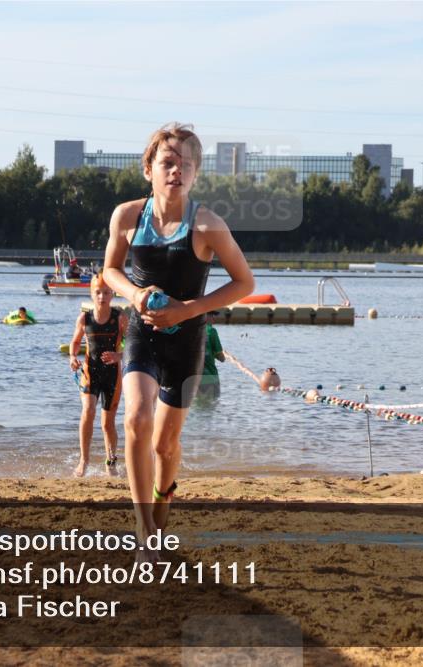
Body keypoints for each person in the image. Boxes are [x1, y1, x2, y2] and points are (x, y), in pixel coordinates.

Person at [102, 123, 254, 557]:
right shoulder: (127, 216)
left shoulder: (207, 225)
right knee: (135, 418)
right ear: (149, 168)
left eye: (185, 166)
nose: (176, 172)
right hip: (141, 333)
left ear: (195, 174)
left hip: (187, 341)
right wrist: (134, 294)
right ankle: (143, 528)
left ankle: (162, 507)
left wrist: (188, 309)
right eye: (167, 163)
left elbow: (244, 281)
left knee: (165, 445)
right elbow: (110, 271)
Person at [69, 272, 128, 478]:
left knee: (107, 423)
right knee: (88, 410)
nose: (102, 296)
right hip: (90, 372)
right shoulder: (84, 318)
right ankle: (83, 461)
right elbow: (75, 342)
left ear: (112, 294)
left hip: (112, 376)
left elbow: (132, 345)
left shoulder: (120, 318)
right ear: (91, 294)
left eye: (105, 292)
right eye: (97, 292)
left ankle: (111, 462)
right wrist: (72, 357)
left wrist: (119, 355)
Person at [197, 311, 225, 400]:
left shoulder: (189, 330)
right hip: (209, 377)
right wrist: (220, 355)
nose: (214, 319)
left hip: (191, 379)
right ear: (205, 316)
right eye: (212, 316)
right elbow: (221, 358)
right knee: (211, 406)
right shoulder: (211, 331)